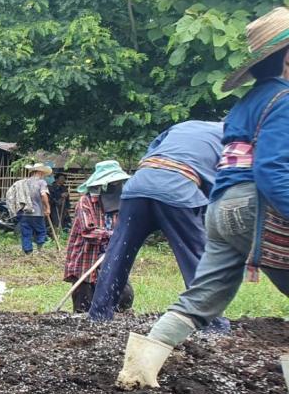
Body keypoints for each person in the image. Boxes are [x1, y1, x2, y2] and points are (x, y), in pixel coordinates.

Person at [118, 7, 289, 390]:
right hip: (256, 208)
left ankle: (136, 372)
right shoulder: (285, 101)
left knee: (200, 299)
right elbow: (272, 170)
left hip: (220, 207)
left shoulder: (245, 103)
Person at [87, 121, 224, 322]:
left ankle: (99, 315)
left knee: (118, 253)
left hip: (137, 187)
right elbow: (224, 184)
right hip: (178, 189)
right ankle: (213, 322)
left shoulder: (183, 126)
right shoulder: (238, 138)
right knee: (195, 257)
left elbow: (152, 155)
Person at [63, 160, 134, 312]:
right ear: (103, 185)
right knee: (84, 304)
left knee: (124, 298)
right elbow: (88, 232)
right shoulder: (86, 202)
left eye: (119, 183)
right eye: (113, 183)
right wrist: (113, 235)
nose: (117, 187)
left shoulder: (122, 204)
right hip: (86, 259)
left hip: (111, 258)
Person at [6, 163, 52, 254]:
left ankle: (28, 252)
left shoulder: (23, 182)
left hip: (25, 212)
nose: (43, 175)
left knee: (26, 233)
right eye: (43, 173)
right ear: (39, 172)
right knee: (41, 231)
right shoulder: (41, 182)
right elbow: (43, 195)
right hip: (37, 213)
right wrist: (47, 207)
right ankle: (40, 249)